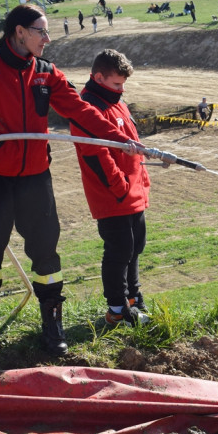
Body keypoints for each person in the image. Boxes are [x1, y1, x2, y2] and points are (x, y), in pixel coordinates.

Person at [0, 4, 137, 357]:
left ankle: (52, 326)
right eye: (41, 31)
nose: (47, 39)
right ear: (19, 32)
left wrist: (119, 138)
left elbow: (81, 110)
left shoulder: (47, 72)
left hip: (35, 179)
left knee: (46, 254)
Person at [71, 49, 151, 328]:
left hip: (133, 191)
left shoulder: (117, 102)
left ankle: (134, 299)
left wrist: (141, 181)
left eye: (123, 84)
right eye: (117, 83)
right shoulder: (88, 108)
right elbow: (96, 156)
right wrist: (121, 188)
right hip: (113, 194)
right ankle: (117, 309)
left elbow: (132, 142)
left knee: (136, 246)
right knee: (120, 250)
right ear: (98, 77)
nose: (122, 89)